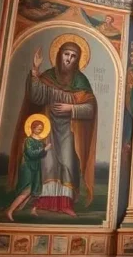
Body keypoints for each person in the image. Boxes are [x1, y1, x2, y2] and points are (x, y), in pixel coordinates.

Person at [9, 41, 97, 216]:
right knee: (47, 164)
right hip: (47, 125)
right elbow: (35, 95)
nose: (69, 59)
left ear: (78, 60)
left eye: (73, 56)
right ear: (59, 55)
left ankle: (66, 204)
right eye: (66, 55)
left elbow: (90, 108)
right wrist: (35, 70)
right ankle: (43, 202)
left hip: (69, 130)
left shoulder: (81, 81)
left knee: (68, 164)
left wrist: (70, 108)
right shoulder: (48, 76)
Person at [5, 119, 50, 220]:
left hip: (36, 167)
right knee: (27, 190)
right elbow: (31, 154)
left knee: (35, 189)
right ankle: (10, 211)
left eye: (41, 129)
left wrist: (44, 149)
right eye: (38, 129)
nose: (40, 131)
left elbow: (42, 155)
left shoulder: (41, 141)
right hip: (28, 167)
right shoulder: (28, 141)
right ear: (33, 128)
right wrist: (44, 149)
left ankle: (32, 210)